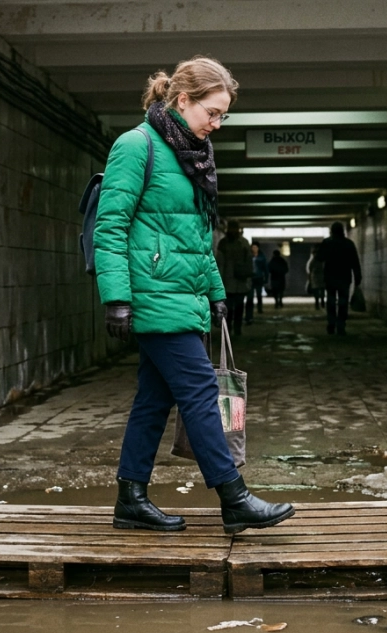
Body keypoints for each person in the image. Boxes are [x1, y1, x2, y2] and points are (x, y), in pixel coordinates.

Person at [93, 56, 294, 534]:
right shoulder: (135, 146)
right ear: (183, 100)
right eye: (212, 112)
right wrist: (116, 297)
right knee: (202, 391)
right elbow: (111, 225)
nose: (217, 123)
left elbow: (197, 239)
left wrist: (217, 293)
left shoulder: (192, 154)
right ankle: (233, 496)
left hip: (185, 296)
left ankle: (130, 499)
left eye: (224, 115)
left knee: (153, 400)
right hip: (154, 296)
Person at [317, 221, 362, 335]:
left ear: (331, 231)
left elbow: (319, 257)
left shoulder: (327, 243)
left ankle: (331, 324)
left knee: (331, 301)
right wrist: (357, 276)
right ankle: (341, 326)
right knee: (343, 302)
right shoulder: (348, 243)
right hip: (344, 277)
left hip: (330, 277)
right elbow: (354, 262)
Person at [215, 220, 251, 335]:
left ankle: (231, 328)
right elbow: (249, 263)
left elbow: (219, 263)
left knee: (232, 307)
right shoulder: (243, 243)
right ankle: (235, 328)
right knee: (236, 307)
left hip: (230, 281)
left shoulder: (224, 243)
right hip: (237, 281)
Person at [244, 243, 268, 323]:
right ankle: (249, 314)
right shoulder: (249, 256)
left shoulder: (261, 257)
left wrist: (266, 278)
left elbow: (265, 268)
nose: (254, 249)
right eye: (253, 247)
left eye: (255, 247)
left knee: (259, 294)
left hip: (259, 278)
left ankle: (259, 308)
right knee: (250, 297)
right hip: (251, 278)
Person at [306, 243, 326, 310]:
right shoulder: (322, 260)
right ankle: (321, 303)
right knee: (321, 290)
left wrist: (309, 278)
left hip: (315, 277)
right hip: (321, 276)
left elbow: (309, 269)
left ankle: (318, 303)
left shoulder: (312, 261)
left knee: (317, 291)